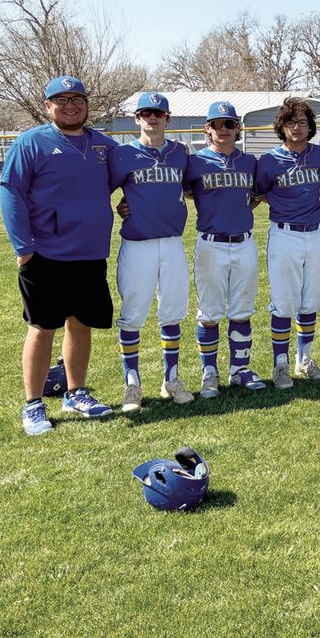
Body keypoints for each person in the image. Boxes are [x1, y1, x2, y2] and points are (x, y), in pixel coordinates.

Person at [0, 76, 119, 435]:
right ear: (47, 105)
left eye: (77, 99)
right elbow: (11, 194)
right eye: (61, 100)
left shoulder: (103, 145)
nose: (71, 106)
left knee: (81, 324)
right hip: (46, 253)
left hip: (90, 252)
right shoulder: (32, 142)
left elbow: (126, 178)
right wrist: (24, 249)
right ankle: (33, 404)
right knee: (42, 327)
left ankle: (75, 392)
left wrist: (131, 204)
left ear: (86, 104)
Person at [108, 92, 192, 411]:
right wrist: (121, 206)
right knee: (134, 313)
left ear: (167, 119)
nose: (152, 118)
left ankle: (171, 379)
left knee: (172, 310)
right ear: (137, 118)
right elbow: (104, 189)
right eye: (145, 113)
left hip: (171, 241)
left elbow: (193, 186)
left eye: (158, 113)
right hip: (137, 243)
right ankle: (133, 385)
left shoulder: (181, 153)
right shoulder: (123, 154)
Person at [183, 100, 265, 396]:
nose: (223, 129)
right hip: (211, 244)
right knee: (209, 312)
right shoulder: (196, 161)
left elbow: (257, 196)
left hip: (244, 242)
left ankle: (239, 369)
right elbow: (177, 192)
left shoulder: (249, 162)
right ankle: (209, 372)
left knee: (242, 309)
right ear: (207, 128)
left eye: (229, 124)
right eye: (217, 124)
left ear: (238, 128)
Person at [254, 97, 320, 389]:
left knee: (311, 299)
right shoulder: (269, 160)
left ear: (310, 126)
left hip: (315, 232)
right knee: (284, 301)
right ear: (281, 126)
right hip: (284, 233)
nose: (297, 128)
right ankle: (280, 365)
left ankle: (305, 359)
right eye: (290, 122)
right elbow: (255, 195)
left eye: (302, 122)